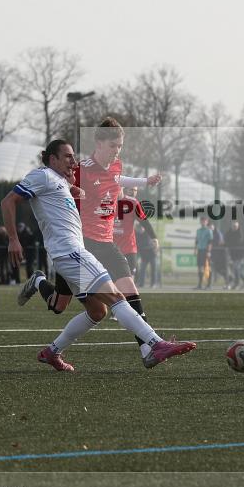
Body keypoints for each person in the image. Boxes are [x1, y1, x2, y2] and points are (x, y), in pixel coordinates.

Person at [5, 139, 196, 372]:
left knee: (97, 311)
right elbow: (9, 200)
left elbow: (61, 197)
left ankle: (52, 352)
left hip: (71, 253)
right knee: (116, 297)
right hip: (70, 252)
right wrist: (13, 239)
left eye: (73, 156)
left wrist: (73, 189)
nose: (73, 161)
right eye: (67, 156)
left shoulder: (59, 180)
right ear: (52, 159)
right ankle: (155, 344)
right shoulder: (42, 175)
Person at [29, 118, 164, 358]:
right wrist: (71, 191)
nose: (117, 151)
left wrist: (144, 181)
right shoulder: (80, 170)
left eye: (120, 146)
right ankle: (39, 282)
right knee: (61, 305)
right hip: (82, 245)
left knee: (128, 290)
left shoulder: (117, 165)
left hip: (107, 243)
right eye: (113, 145)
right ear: (99, 143)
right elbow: (54, 185)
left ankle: (147, 349)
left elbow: (116, 179)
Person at [112, 187, 158, 282]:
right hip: (111, 249)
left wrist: (154, 237)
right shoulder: (105, 202)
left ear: (122, 187)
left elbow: (144, 221)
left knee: (130, 279)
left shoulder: (132, 202)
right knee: (113, 281)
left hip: (128, 248)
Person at [135, 223, 157, 288]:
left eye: (141, 228)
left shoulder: (147, 233)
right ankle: (141, 284)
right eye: (139, 229)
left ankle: (153, 284)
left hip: (151, 254)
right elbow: (137, 245)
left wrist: (155, 248)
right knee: (142, 270)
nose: (140, 230)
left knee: (153, 269)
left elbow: (152, 242)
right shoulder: (136, 234)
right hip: (144, 255)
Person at [195, 216, 213, 290]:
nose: (203, 222)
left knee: (207, 267)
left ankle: (209, 285)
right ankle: (200, 284)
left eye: (205, 221)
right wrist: (195, 249)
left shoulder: (209, 230)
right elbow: (197, 240)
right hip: (200, 250)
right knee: (200, 267)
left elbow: (210, 242)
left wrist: (208, 251)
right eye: (202, 221)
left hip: (205, 250)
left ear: (207, 222)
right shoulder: (198, 230)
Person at [209, 222, 229, 289]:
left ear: (214, 227)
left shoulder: (217, 233)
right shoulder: (210, 233)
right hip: (214, 254)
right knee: (216, 269)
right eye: (209, 227)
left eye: (211, 227)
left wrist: (212, 246)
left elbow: (219, 243)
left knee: (221, 269)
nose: (211, 228)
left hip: (220, 255)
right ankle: (210, 284)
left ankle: (228, 280)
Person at [224, 221, 244, 289]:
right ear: (231, 226)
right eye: (233, 226)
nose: (234, 227)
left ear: (238, 227)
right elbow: (226, 241)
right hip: (231, 254)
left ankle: (237, 283)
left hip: (239, 255)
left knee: (236, 268)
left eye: (236, 226)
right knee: (233, 270)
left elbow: (238, 242)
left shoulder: (240, 233)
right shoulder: (228, 233)